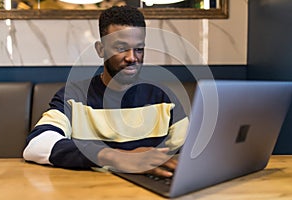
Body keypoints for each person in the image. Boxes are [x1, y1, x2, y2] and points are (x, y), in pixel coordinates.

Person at [23, 5, 189, 177]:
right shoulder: (74, 96)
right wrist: (114, 157)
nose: (132, 57)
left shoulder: (164, 98)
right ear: (101, 49)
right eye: (121, 48)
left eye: (139, 49)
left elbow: (193, 151)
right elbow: (37, 144)